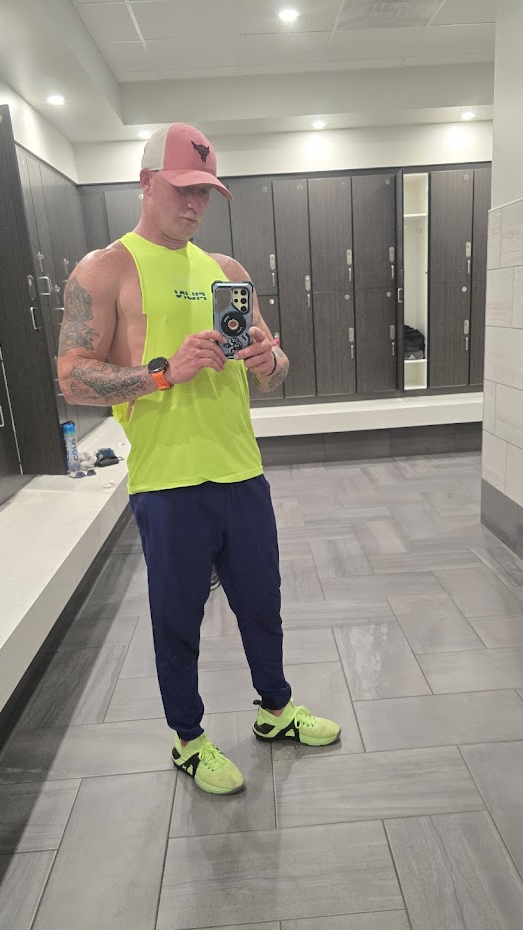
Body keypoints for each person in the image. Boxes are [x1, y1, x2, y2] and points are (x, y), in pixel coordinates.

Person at [57, 123, 340, 796]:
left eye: (205, 193)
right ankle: (188, 740)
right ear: (146, 182)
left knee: (262, 606)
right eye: (183, 189)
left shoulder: (227, 272)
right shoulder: (105, 269)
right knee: (177, 620)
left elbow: (276, 372)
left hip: (242, 472)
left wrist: (269, 358)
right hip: (168, 483)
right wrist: (163, 372)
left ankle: (276, 711)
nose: (194, 205)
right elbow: (71, 378)